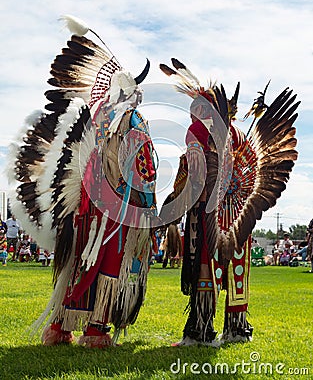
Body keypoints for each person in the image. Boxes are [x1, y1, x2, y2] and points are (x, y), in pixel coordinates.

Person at [8, 17, 157, 348]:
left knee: (78, 262)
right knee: (107, 265)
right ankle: (95, 330)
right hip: (115, 210)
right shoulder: (131, 124)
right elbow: (142, 171)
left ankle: (60, 327)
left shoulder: (101, 118)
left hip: (87, 206)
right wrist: (147, 208)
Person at [159, 58, 299, 346]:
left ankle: (200, 332)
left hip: (207, 213)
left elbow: (195, 177)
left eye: (196, 107)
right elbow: (255, 167)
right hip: (238, 216)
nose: (192, 113)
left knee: (205, 268)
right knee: (237, 266)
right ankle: (235, 329)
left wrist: (174, 205)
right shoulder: (238, 134)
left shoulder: (200, 131)